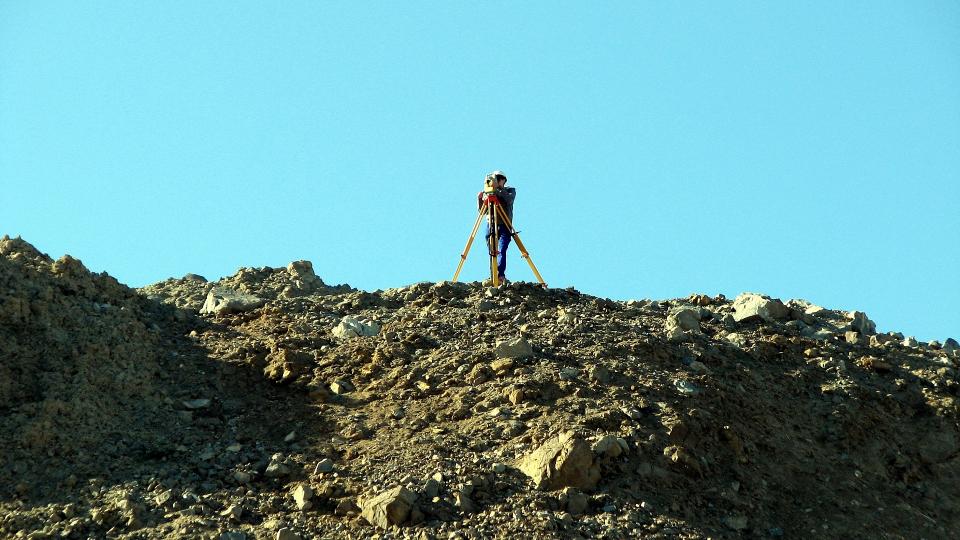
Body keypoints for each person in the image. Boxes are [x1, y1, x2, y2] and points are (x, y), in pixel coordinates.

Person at [477, 170, 516, 284]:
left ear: (503, 180)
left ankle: (500, 274)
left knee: (502, 249)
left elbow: (509, 200)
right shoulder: (489, 194)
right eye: (495, 178)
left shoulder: (509, 190)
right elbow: (482, 211)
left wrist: (498, 189)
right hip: (491, 224)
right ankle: (494, 275)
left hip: (504, 224)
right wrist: (479, 199)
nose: (497, 180)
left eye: (498, 178)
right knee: (492, 251)